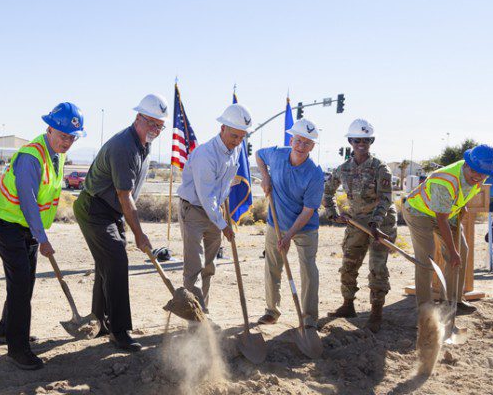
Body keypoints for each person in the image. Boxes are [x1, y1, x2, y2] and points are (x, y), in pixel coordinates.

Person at [0, 102, 85, 370]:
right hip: (5, 221)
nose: (67, 142)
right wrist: (42, 238)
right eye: (63, 136)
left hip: (24, 225)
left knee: (23, 279)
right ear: (49, 129)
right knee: (21, 282)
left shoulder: (57, 153)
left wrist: (37, 233)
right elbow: (28, 202)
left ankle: (6, 330)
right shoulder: (31, 157)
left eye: (72, 138)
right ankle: (18, 349)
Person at [74, 93, 167, 352]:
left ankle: (100, 320)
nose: (155, 130)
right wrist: (139, 233)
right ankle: (119, 330)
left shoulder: (143, 145)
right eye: (151, 124)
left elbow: (127, 196)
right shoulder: (124, 146)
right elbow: (124, 195)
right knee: (116, 260)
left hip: (112, 211)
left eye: (160, 126)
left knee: (108, 262)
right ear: (138, 118)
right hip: (93, 208)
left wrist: (131, 226)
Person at [404, 144, 493, 314]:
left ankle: (452, 301)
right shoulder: (444, 181)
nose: (478, 177)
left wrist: (462, 207)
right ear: (466, 165)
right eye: (475, 172)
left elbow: (461, 196)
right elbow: (441, 219)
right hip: (419, 211)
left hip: (446, 213)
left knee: (462, 250)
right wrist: (452, 252)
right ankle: (425, 307)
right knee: (427, 258)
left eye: (483, 174)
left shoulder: (478, 174)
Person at [323, 119, 397, 332]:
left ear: (371, 141)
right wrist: (332, 213)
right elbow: (327, 191)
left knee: (377, 267)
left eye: (366, 140)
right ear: (350, 141)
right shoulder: (343, 169)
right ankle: (348, 305)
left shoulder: (380, 168)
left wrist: (375, 222)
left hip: (381, 223)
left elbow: (385, 199)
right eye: (357, 140)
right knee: (349, 263)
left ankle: (376, 312)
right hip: (356, 221)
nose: (361, 144)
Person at [176, 103, 251, 313]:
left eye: (241, 137)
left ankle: (202, 310)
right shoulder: (205, 154)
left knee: (209, 267)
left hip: (214, 212)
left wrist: (227, 192)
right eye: (234, 136)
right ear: (222, 129)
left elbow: (223, 183)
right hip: (194, 210)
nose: (237, 142)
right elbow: (206, 195)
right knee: (194, 267)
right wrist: (224, 225)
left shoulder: (235, 151)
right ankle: (194, 318)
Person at [255, 119, 324, 328]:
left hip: (305, 228)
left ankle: (309, 318)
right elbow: (258, 154)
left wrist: (288, 236)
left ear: (313, 146)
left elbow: (308, 211)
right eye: (298, 141)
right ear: (291, 139)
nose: (301, 146)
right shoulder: (277, 154)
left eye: (307, 143)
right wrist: (265, 176)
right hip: (276, 222)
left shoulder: (315, 174)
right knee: (272, 266)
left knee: (308, 269)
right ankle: (271, 311)